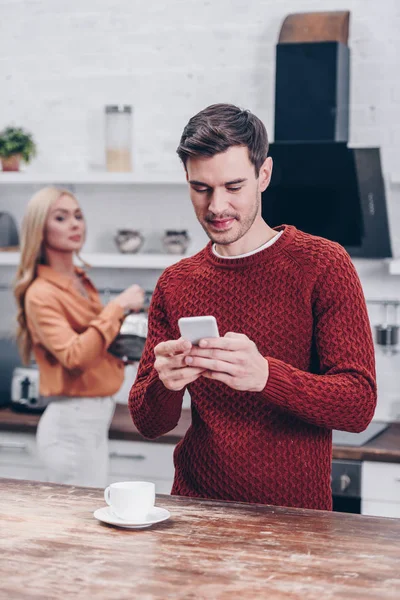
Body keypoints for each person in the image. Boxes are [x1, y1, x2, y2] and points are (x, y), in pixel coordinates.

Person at [129, 103, 377, 510]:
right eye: (201, 188)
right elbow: (150, 423)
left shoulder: (323, 264)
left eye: (233, 186)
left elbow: (358, 405)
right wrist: (165, 383)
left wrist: (265, 375)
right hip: (198, 512)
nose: (216, 207)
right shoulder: (176, 282)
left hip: (295, 520)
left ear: (264, 175)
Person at [14, 186, 144, 487]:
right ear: (39, 229)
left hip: (94, 421)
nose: (75, 224)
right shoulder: (40, 293)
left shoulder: (80, 281)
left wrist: (119, 350)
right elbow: (74, 357)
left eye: (78, 216)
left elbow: (92, 343)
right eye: (61, 218)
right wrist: (118, 306)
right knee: (79, 526)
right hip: (71, 425)